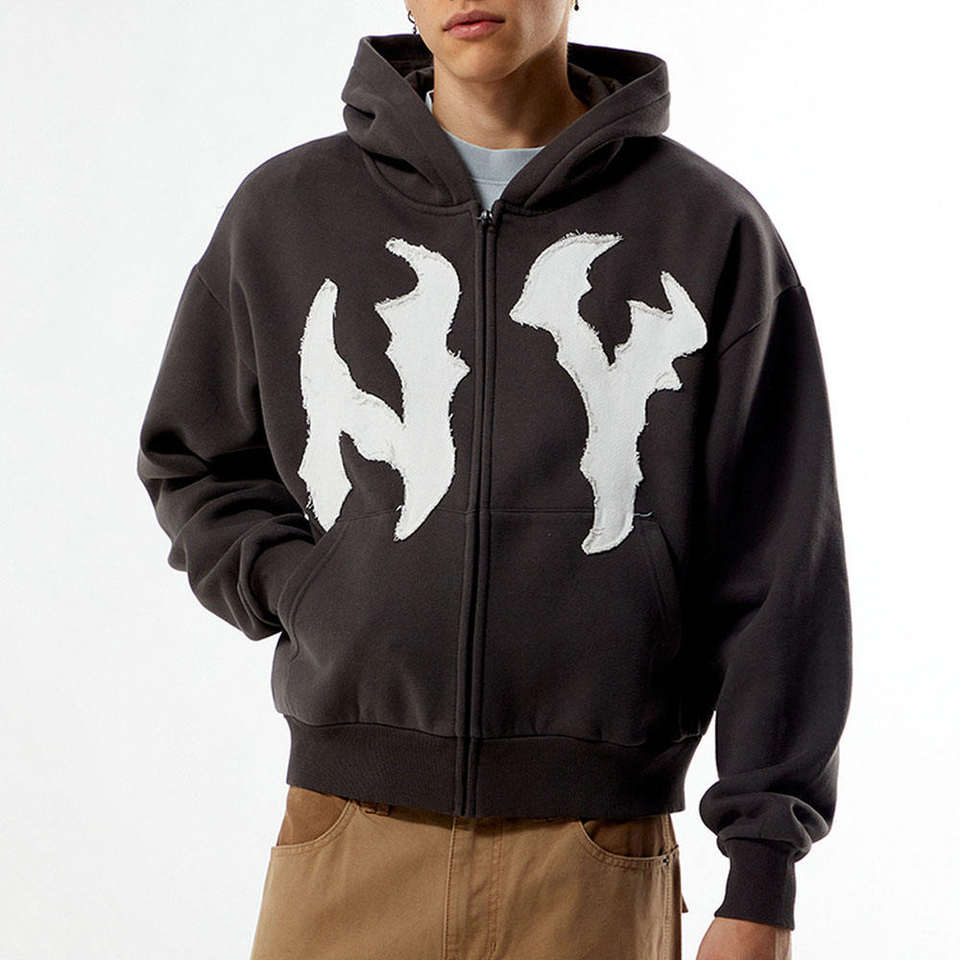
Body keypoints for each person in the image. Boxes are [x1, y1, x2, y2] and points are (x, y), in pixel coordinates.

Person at [135, 2, 852, 959]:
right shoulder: (288, 210)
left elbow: (783, 562)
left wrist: (763, 873)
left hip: (594, 853)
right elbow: (192, 457)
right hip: (345, 836)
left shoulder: (708, 228)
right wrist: (303, 586)